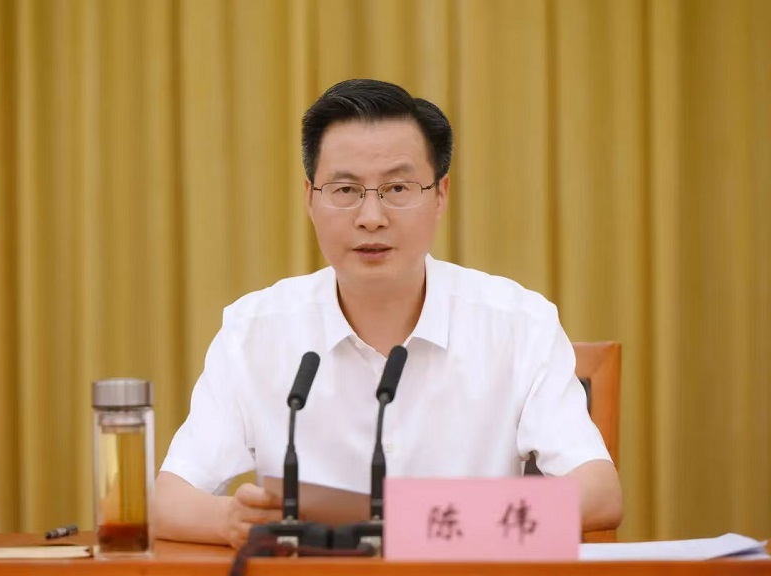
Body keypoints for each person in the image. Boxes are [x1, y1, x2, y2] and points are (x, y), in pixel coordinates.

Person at [154, 79, 623, 549]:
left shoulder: (518, 324)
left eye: (398, 188)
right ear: (310, 198)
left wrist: (422, 522)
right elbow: (168, 499)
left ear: (440, 195)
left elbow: (600, 493)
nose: (371, 217)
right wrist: (229, 520)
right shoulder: (255, 331)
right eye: (345, 189)